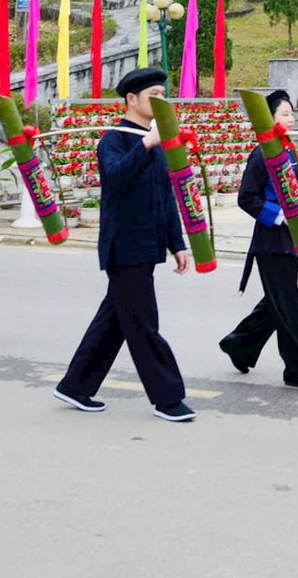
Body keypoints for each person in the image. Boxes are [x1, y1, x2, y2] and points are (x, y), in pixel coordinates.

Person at [54, 67, 195, 422]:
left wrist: (177, 243)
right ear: (132, 99)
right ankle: (168, 398)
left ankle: (75, 386)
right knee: (144, 324)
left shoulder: (158, 141)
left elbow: (166, 196)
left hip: (149, 245)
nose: (161, 101)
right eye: (154, 95)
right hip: (124, 246)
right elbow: (115, 178)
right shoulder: (113, 138)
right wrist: (146, 143)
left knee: (115, 320)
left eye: (165, 95)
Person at [219, 89, 298, 388]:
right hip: (270, 242)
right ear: (270, 118)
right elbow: (246, 197)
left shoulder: (286, 149)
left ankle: (240, 344)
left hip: (289, 240)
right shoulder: (263, 152)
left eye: (292, 113)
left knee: (277, 303)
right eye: (285, 114)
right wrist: (281, 217)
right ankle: (296, 368)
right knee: (287, 304)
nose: (292, 118)